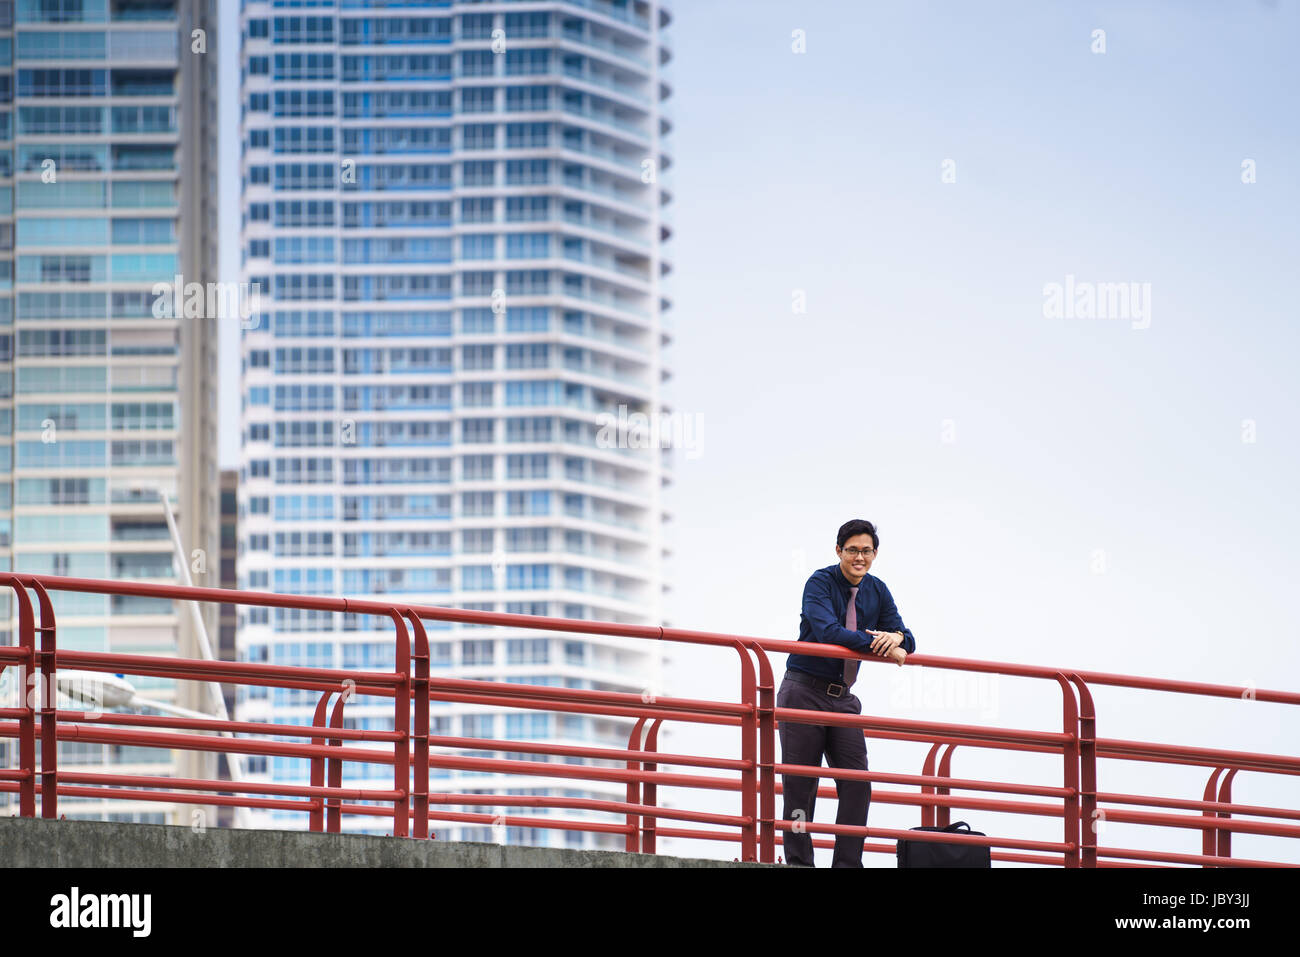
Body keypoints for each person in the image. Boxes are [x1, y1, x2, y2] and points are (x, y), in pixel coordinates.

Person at [778, 518, 915, 867]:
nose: (859, 557)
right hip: (803, 690)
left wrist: (897, 639)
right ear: (838, 550)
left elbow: (906, 637)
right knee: (800, 786)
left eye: (866, 551)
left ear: (875, 554)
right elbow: (829, 633)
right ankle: (799, 863)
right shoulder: (819, 583)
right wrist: (880, 643)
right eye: (852, 550)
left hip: (843, 698)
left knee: (857, 783)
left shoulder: (877, 590)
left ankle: (847, 864)